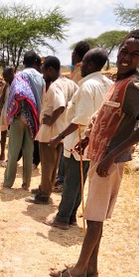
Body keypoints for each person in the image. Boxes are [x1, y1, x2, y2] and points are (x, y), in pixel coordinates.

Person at [51, 30, 139, 277]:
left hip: (108, 161)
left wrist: (112, 155)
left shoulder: (131, 86)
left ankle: (78, 269)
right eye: (124, 51)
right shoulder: (117, 83)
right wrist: (87, 138)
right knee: (94, 214)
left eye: (134, 54)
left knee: (93, 217)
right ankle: (91, 267)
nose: (126, 58)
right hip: (101, 155)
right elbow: (103, 118)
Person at [44, 47, 113, 230]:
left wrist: (59, 136)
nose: (78, 67)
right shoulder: (107, 83)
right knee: (80, 181)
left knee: (71, 182)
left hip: (78, 141)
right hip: (94, 142)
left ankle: (62, 218)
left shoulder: (87, 86)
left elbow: (81, 120)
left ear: (90, 64)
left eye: (81, 64)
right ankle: (71, 215)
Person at [28, 56, 78, 204]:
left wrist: (50, 120)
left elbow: (60, 105)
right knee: (54, 165)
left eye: (44, 72)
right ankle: (45, 188)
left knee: (47, 165)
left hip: (50, 132)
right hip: (62, 131)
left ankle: (43, 195)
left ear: (50, 70)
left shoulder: (55, 86)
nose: (43, 76)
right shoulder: (71, 84)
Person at [2, 50, 44, 190]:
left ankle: (8, 182)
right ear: (36, 62)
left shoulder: (20, 76)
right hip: (34, 119)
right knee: (28, 152)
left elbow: (18, 93)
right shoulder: (41, 78)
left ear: (24, 62)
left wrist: (15, 112)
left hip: (20, 116)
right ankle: (26, 184)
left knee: (13, 151)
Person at [55, 41, 93, 191]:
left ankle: (63, 181)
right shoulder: (82, 72)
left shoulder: (80, 72)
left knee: (69, 151)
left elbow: (76, 94)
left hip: (78, 119)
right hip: (81, 118)